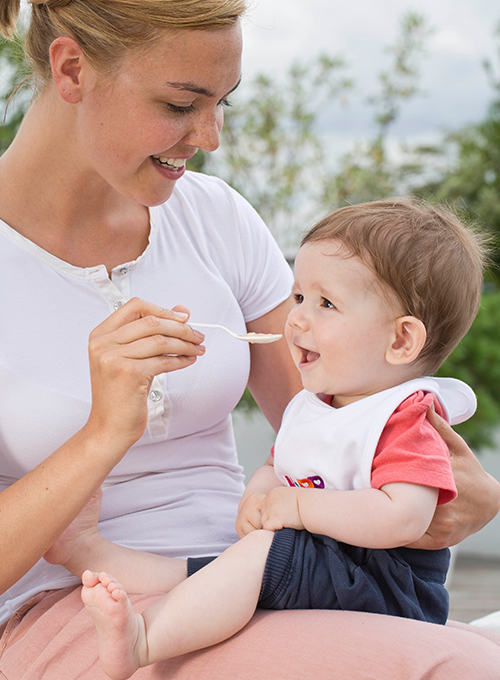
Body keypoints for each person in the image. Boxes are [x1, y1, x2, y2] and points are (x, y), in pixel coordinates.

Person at [0, 1, 499, 678]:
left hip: (259, 574)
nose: (211, 135)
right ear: (71, 69)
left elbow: (335, 425)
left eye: (223, 102)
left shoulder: (215, 218)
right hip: (81, 610)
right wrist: (102, 432)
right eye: (181, 104)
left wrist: (468, 494)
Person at [44, 198, 488, 679]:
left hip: (383, 585)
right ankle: (93, 555)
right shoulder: (318, 404)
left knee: (255, 558)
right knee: (226, 568)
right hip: (328, 561)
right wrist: (258, 494)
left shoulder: (404, 419)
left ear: (401, 341)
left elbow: (405, 516)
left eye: (326, 304)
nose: (296, 319)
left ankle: (145, 639)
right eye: (298, 297)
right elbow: (283, 464)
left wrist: (295, 509)